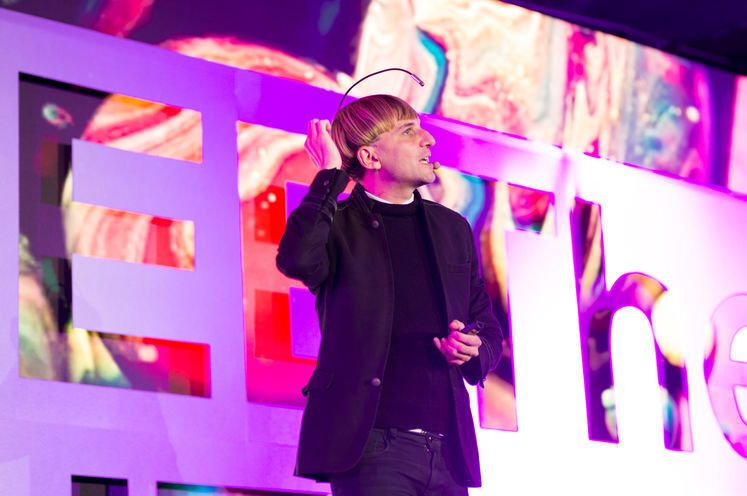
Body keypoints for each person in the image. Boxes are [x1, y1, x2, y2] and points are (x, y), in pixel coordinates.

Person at [276, 94, 503, 495]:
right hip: (373, 449)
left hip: (448, 452)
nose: (428, 140)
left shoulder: (451, 228)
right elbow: (297, 259)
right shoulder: (338, 223)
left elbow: (485, 323)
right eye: (409, 131)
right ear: (370, 156)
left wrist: (473, 347)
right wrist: (329, 175)